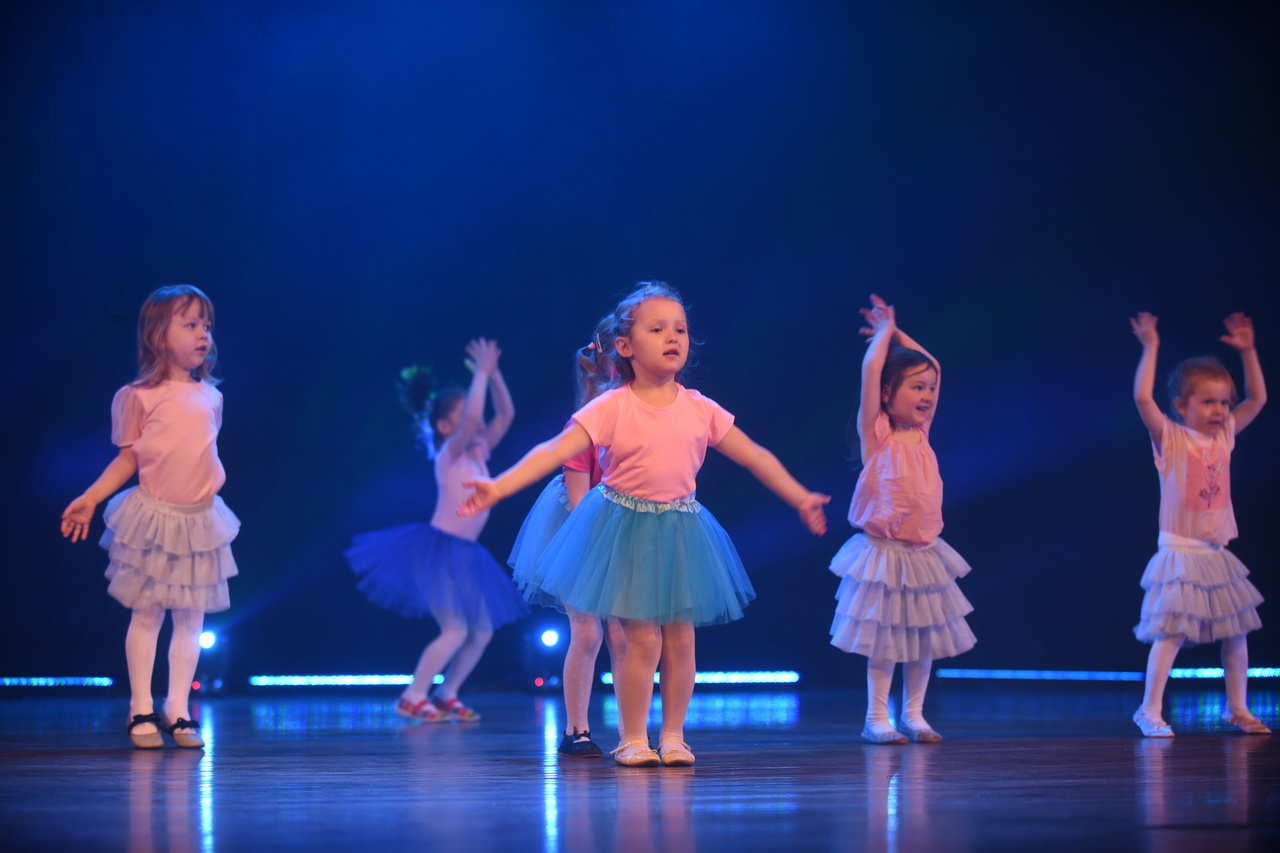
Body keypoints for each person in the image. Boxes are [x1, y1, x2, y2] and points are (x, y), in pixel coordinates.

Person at [460, 281, 829, 766]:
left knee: (681, 637)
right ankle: (633, 737)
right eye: (657, 329)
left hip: (681, 528)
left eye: (680, 329)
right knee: (641, 639)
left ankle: (673, 735)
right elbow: (554, 450)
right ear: (625, 346)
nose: (672, 337)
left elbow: (754, 455)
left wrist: (799, 496)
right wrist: (499, 486)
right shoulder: (612, 406)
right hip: (626, 528)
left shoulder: (700, 408)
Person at [61, 284, 238, 749]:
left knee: (191, 618)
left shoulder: (211, 396)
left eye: (206, 325)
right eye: (190, 324)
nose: (203, 334)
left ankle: (177, 706)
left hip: (199, 519)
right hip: (155, 517)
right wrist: (91, 498)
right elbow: (128, 459)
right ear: (160, 335)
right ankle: (140, 705)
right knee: (148, 613)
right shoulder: (138, 396)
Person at [345, 339, 529, 723]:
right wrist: (480, 375)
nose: (478, 420)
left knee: (481, 631)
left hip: (466, 555)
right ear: (445, 426)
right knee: (455, 630)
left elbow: (505, 414)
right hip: (438, 552)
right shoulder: (450, 455)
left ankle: (447, 693)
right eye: (464, 415)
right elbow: (475, 416)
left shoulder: (478, 453)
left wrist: (494, 374)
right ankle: (412, 696)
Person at [829, 294, 976, 745]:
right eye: (916, 387)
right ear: (887, 395)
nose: (928, 395)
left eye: (930, 389)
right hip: (885, 553)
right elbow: (872, 371)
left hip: (924, 553)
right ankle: (877, 717)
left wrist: (896, 333)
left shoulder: (921, 432)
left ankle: (914, 714)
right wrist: (883, 337)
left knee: (924, 638)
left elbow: (934, 365)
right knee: (885, 639)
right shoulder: (878, 434)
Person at [1129, 311, 1268, 737]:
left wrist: (1248, 352)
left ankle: (1237, 707)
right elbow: (1143, 399)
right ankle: (1149, 709)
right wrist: (1151, 346)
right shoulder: (1171, 439)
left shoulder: (1223, 436)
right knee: (1171, 633)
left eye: (1224, 402)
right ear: (1181, 407)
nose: (1220, 410)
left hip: (1215, 552)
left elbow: (1257, 399)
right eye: (1208, 402)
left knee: (1236, 631)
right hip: (1180, 551)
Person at [507, 318, 627, 757]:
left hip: (626, 526)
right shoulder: (588, 421)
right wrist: (597, 543)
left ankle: (633, 732)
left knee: (624, 635)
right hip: (580, 530)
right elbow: (578, 499)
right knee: (587, 631)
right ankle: (576, 730)